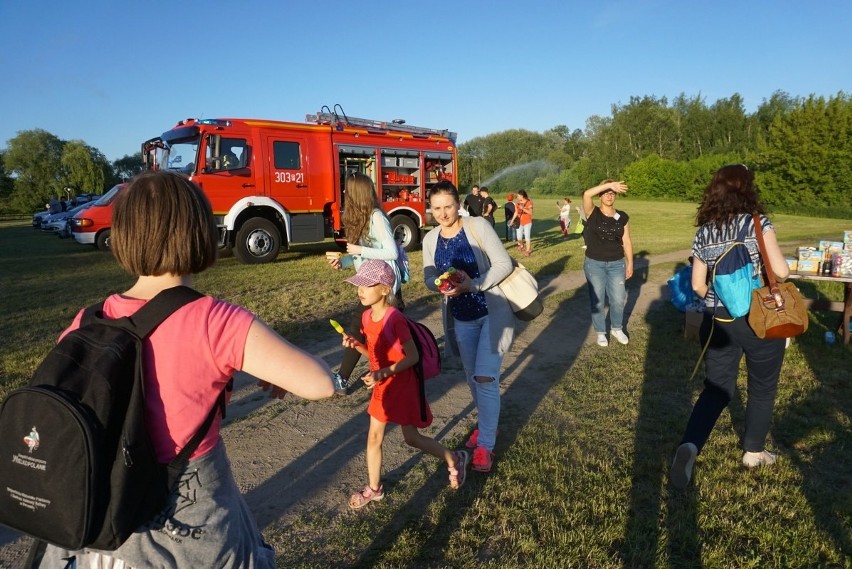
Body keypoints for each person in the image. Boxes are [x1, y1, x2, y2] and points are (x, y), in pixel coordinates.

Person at [32, 171, 335, 568]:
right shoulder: (215, 321)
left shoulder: (85, 322)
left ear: (124, 236)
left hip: (101, 527)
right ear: (199, 232)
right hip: (190, 527)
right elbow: (321, 384)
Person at [670, 164, 789, 490]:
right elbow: (780, 272)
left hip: (718, 321)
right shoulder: (757, 223)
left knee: (717, 388)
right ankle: (753, 451)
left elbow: (697, 285)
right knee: (762, 387)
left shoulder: (705, 231)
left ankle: (691, 445)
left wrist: (719, 296)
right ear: (748, 189)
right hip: (759, 318)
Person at [341, 259, 469, 508]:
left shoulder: (395, 318)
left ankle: (453, 457)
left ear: (385, 289)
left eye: (367, 285)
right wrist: (357, 346)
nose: (360, 290)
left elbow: (412, 357)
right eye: (359, 285)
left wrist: (383, 373)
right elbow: (376, 355)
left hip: (403, 385)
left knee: (411, 438)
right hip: (384, 385)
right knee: (374, 437)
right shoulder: (367, 318)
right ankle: (374, 488)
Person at [422, 180, 516, 474]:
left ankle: (486, 444)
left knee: (486, 377)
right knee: (472, 377)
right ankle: (489, 426)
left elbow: (503, 264)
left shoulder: (477, 226)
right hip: (461, 318)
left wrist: (472, 284)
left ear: (457, 204)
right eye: (437, 208)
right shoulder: (430, 239)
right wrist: (441, 285)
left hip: (491, 312)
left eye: (448, 205)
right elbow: (428, 276)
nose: (443, 213)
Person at [327, 172, 402, 391]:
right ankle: (397, 367)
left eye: (347, 191)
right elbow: (363, 256)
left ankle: (343, 378)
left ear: (356, 194)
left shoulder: (377, 216)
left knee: (359, 327)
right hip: (368, 284)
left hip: (383, 286)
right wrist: (344, 262)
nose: (344, 195)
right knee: (385, 330)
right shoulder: (359, 218)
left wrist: (359, 249)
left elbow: (391, 252)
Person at [581, 180, 633, 347]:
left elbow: (627, 240)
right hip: (594, 264)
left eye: (612, 193)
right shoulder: (592, 212)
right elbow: (586, 194)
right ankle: (601, 332)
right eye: (606, 192)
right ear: (600, 195)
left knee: (618, 299)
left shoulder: (622, 216)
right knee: (597, 300)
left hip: (617, 263)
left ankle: (617, 328)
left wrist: (630, 262)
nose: (610, 195)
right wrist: (609, 185)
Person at [511, 190, 534, 257]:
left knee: (527, 237)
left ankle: (528, 250)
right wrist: (512, 220)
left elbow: (531, 213)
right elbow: (516, 212)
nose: (517, 197)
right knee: (519, 237)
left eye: (518, 196)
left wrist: (523, 208)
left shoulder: (528, 202)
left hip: (527, 222)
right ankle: (521, 245)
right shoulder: (517, 203)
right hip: (519, 222)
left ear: (522, 196)